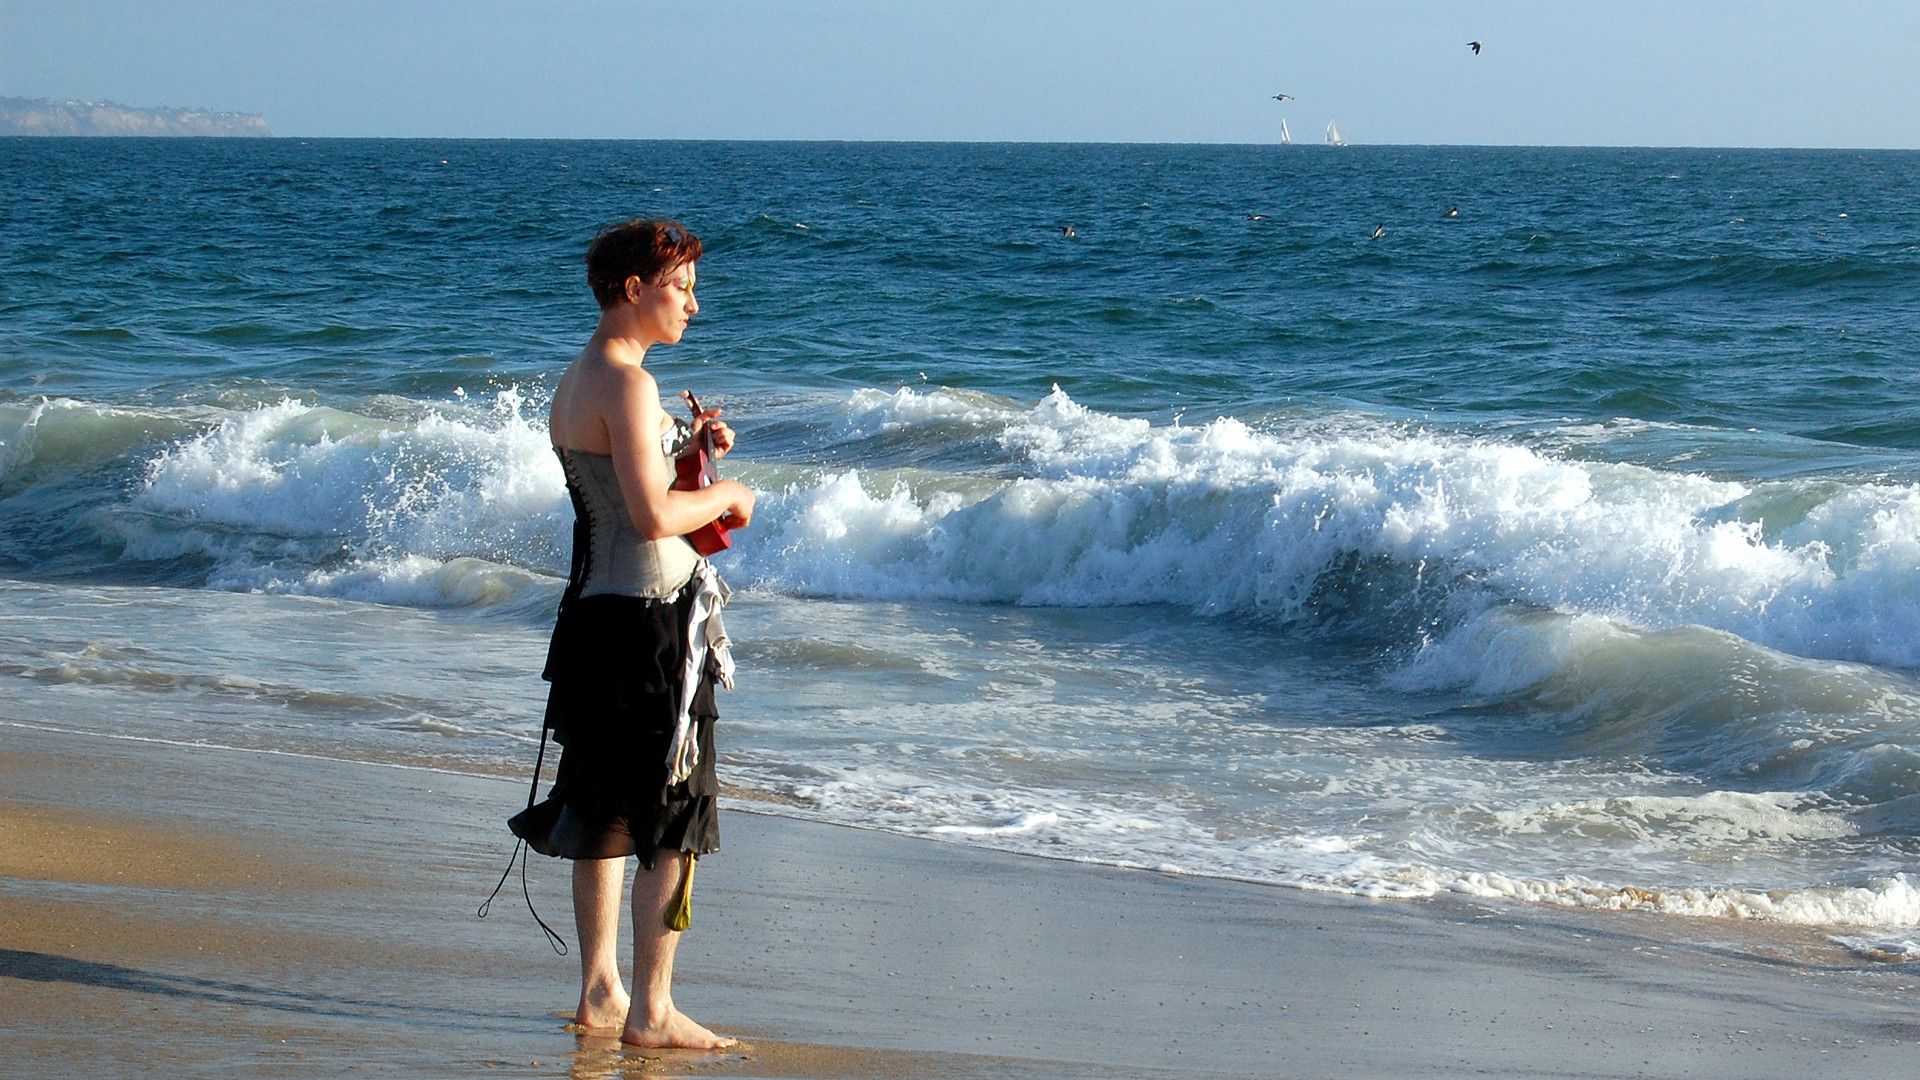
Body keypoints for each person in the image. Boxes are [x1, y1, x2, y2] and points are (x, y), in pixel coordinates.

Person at [509, 218, 755, 1049]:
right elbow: (653, 521)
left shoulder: (582, 377)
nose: (693, 301)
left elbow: (625, 493)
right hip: (650, 630)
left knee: (605, 810)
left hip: (591, 622)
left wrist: (691, 455)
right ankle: (653, 1010)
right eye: (681, 286)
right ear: (633, 289)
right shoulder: (629, 384)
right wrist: (731, 495)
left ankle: (601, 993)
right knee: (671, 813)